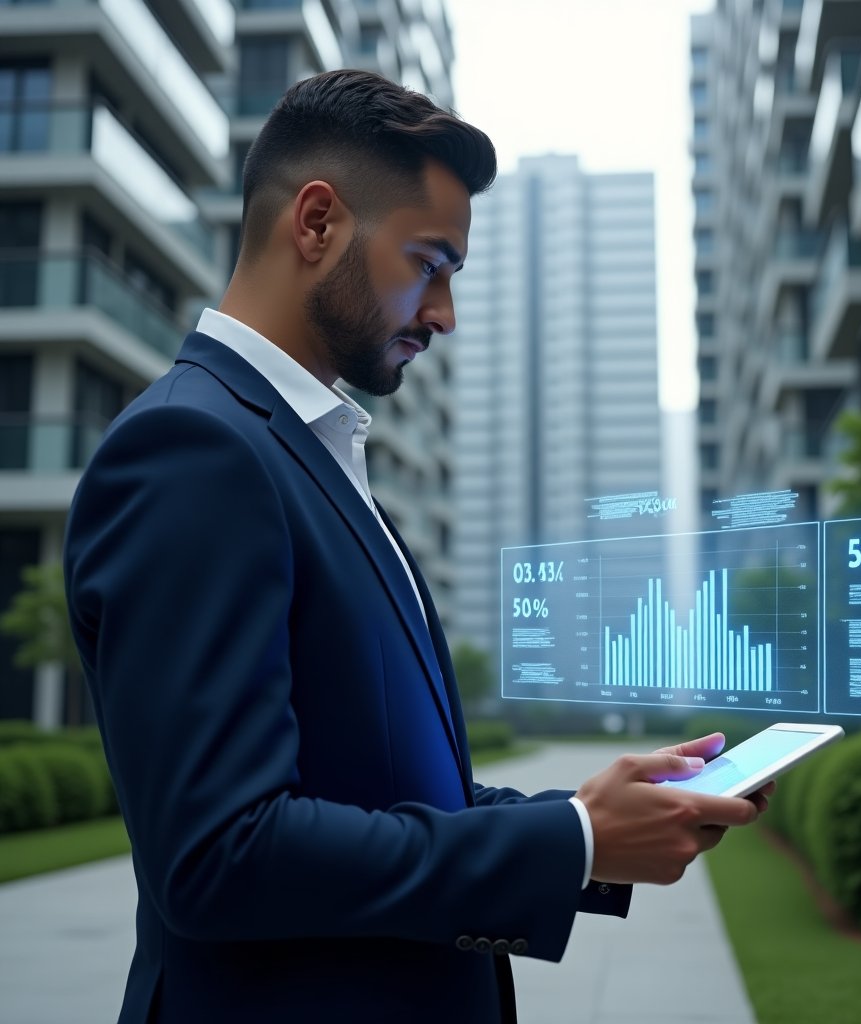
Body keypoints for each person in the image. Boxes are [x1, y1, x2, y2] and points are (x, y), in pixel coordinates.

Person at [63, 69, 770, 1024]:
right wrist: (574, 841)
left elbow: (388, 784)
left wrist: (592, 817)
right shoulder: (194, 451)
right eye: (429, 263)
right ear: (316, 223)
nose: (443, 314)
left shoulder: (307, 453)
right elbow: (221, 854)